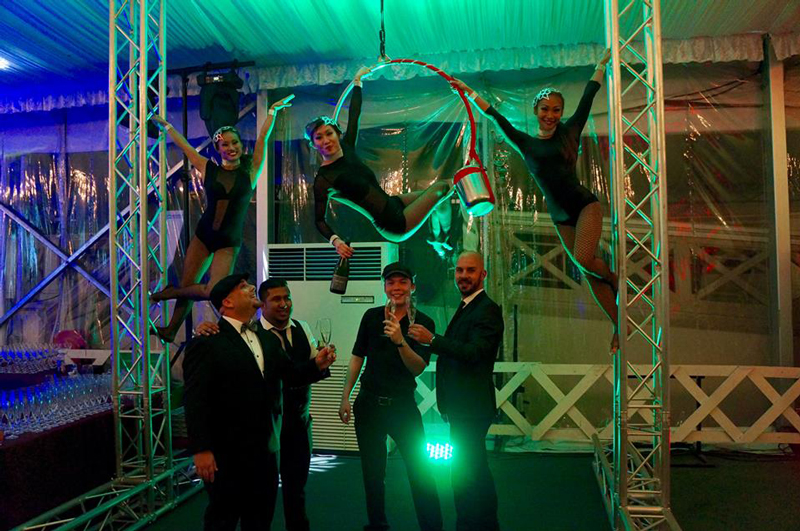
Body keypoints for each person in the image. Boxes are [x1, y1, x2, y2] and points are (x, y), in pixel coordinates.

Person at [452, 50, 620, 352]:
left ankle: (612, 276)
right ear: (536, 110)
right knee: (586, 271)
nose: (550, 115)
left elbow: (588, 96)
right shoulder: (525, 143)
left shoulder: (570, 131)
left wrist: (601, 65)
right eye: (545, 109)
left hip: (584, 206)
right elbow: (494, 115)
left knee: (584, 260)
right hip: (560, 217)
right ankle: (618, 324)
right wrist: (468, 91)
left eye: (556, 110)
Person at [182, 273, 335, 531]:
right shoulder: (208, 342)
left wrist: (317, 365)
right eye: (243, 287)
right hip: (227, 454)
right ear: (227, 302)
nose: (252, 287)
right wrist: (201, 449)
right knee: (222, 519)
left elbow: (290, 375)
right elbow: (195, 399)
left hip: (266, 451)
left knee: (260, 520)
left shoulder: (266, 338)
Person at [149, 94, 294, 343]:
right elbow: (186, 148)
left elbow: (262, 138)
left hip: (228, 241)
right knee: (189, 283)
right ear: (218, 149)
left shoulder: (251, 170)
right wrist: (168, 126)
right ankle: (171, 329)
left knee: (212, 290)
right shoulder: (209, 168)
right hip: (203, 235)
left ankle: (171, 292)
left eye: (234, 142)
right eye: (225, 145)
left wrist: (272, 112)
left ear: (240, 144)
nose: (231, 148)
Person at [308, 66, 453, 260]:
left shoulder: (348, 147)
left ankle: (441, 238)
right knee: (443, 187)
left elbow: (354, 115)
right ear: (313, 144)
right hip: (393, 224)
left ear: (337, 134)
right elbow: (319, 220)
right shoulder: (324, 179)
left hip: (394, 203)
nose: (326, 140)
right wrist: (336, 241)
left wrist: (358, 81)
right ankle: (443, 234)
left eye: (329, 133)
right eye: (319, 137)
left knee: (442, 194)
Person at [339, 262, 443, 531]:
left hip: (402, 408)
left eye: (402, 282)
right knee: (373, 474)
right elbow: (357, 357)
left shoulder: (423, 323)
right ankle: (377, 525)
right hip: (369, 405)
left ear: (412, 286)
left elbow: (417, 368)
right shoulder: (371, 317)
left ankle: (432, 526)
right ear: (384, 286)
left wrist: (400, 340)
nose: (396, 287)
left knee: (420, 471)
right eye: (391, 282)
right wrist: (345, 396)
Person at [408, 251, 504, 531]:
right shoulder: (468, 306)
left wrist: (433, 340)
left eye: (470, 270)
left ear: (483, 274)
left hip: (471, 407)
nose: (463, 276)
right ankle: (482, 524)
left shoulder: (487, 309)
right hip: (464, 406)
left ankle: (475, 524)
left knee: (467, 475)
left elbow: (474, 353)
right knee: (473, 470)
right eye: (459, 270)